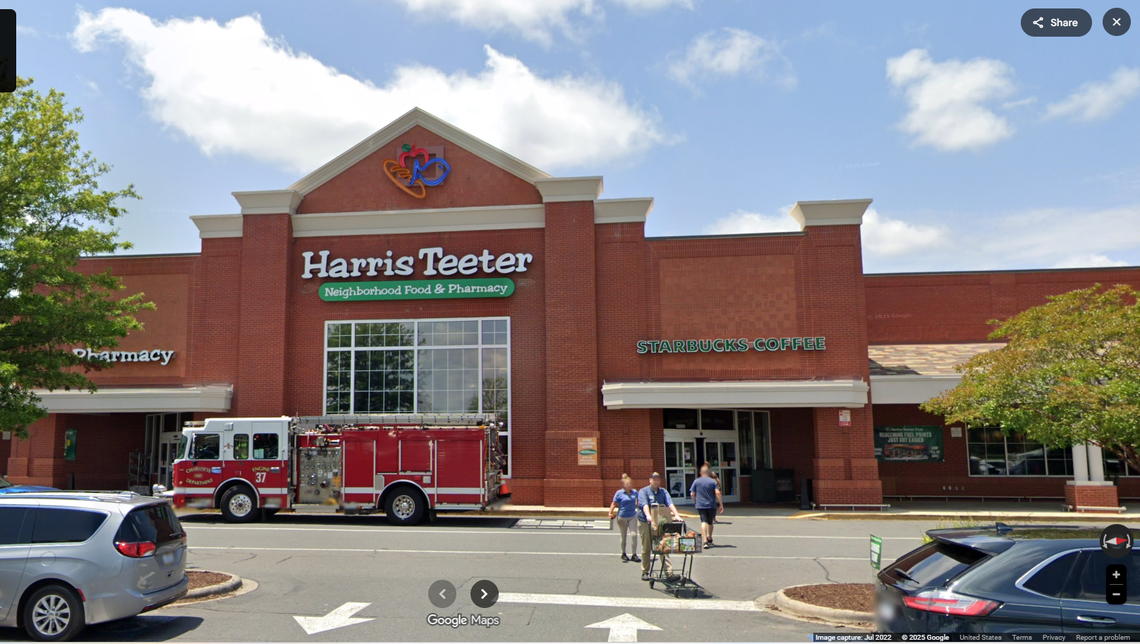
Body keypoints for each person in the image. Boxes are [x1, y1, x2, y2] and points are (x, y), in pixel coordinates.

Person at [637, 472, 683, 582]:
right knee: (647, 547)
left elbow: (670, 503)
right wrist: (648, 516)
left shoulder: (663, 492)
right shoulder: (644, 491)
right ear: (650, 480)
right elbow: (644, 505)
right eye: (654, 479)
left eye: (658, 479)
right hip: (645, 522)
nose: (656, 481)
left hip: (660, 523)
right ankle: (645, 571)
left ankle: (669, 573)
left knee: (663, 546)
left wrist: (676, 514)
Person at [609, 474, 640, 563]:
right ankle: (623, 553)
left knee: (634, 535)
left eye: (630, 483)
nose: (629, 485)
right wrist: (610, 513)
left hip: (632, 516)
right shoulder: (619, 493)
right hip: (622, 517)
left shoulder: (635, 492)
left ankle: (634, 554)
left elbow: (637, 502)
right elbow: (614, 503)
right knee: (624, 536)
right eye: (627, 484)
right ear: (623, 485)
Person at [690, 465, 723, 547]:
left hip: (700, 505)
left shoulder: (696, 481)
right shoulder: (713, 482)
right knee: (710, 522)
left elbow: (692, 494)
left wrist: (695, 502)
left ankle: (704, 540)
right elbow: (717, 493)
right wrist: (720, 505)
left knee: (703, 521)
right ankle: (710, 537)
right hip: (711, 505)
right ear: (708, 473)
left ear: (701, 473)